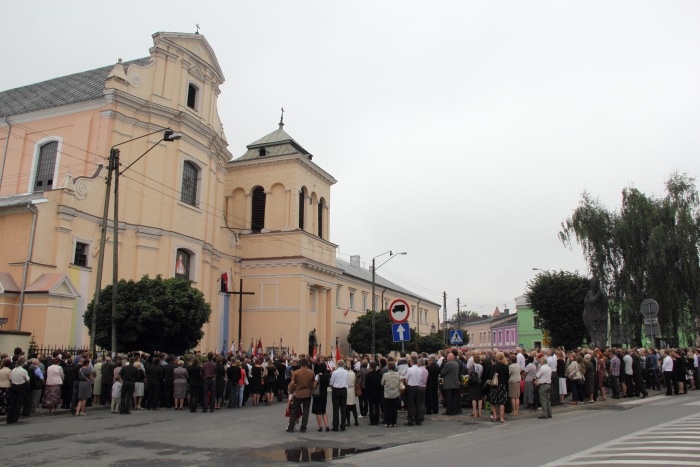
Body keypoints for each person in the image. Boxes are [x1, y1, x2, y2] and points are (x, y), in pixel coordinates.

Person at [286, 358, 315, 433]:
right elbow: (313, 384)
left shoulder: (296, 372)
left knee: (294, 410)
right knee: (306, 410)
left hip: (298, 393)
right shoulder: (311, 372)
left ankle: (291, 427)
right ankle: (303, 427)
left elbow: (292, 383)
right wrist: (312, 390)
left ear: (300, 364)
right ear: (307, 364)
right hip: (307, 393)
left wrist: (290, 390)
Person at [7, 357, 29, 424]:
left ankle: (9, 418)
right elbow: (27, 380)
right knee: (19, 403)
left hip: (14, 386)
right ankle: (15, 418)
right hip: (21, 386)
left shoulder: (13, 370)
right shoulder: (23, 371)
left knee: (13, 402)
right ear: (22, 363)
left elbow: (10, 378)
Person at [489, 352, 509, 423]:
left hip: (495, 385)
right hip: (503, 385)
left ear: (496, 358)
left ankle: (495, 415)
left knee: (493, 401)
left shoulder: (495, 366)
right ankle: (502, 418)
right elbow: (507, 377)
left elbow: (490, 376)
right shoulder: (505, 366)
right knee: (502, 402)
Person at [329, 360, 349, 431]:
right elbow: (347, 382)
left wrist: (332, 386)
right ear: (343, 365)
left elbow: (331, 382)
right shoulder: (346, 372)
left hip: (336, 390)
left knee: (336, 408)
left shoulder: (335, 372)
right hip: (344, 390)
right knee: (343, 408)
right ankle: (343, 425)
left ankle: (335, 426)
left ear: (337, 364)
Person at [380, 361, 400, 427]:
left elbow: (382, 383)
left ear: (388, 367)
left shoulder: (385, 375)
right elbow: (399, 382)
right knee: (394, 408)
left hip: (387, 393)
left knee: (387, 408)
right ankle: (394, 422)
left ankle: (388, 422)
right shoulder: (397, 374)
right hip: (395, 393)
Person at [312, 364, 330, 431]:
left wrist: (312, 390)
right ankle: (327, 425)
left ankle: (320, 426)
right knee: (324, 411)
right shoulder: (327, 375)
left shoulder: (318, 375)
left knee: (318, 411)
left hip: (318, 394)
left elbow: (315, 385)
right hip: (324, 393)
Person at [365, 361, 383, 426]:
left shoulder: (368, 375)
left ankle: (372, 420)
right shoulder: (380, 374)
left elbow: (366, 385)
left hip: (370, 392)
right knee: (377, 406)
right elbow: (381, 384)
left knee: (371, 407)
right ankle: (377, 420)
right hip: (378, 392)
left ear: (370, 367)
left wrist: (366, 394)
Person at [345, 361, 359, 426]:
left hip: (347, 389)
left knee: (347, 406)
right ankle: (356, 421)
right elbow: (356, 381)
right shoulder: (353, 373)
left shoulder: (345, 374)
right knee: (353, 406)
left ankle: (348, 422)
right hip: (352, 389)